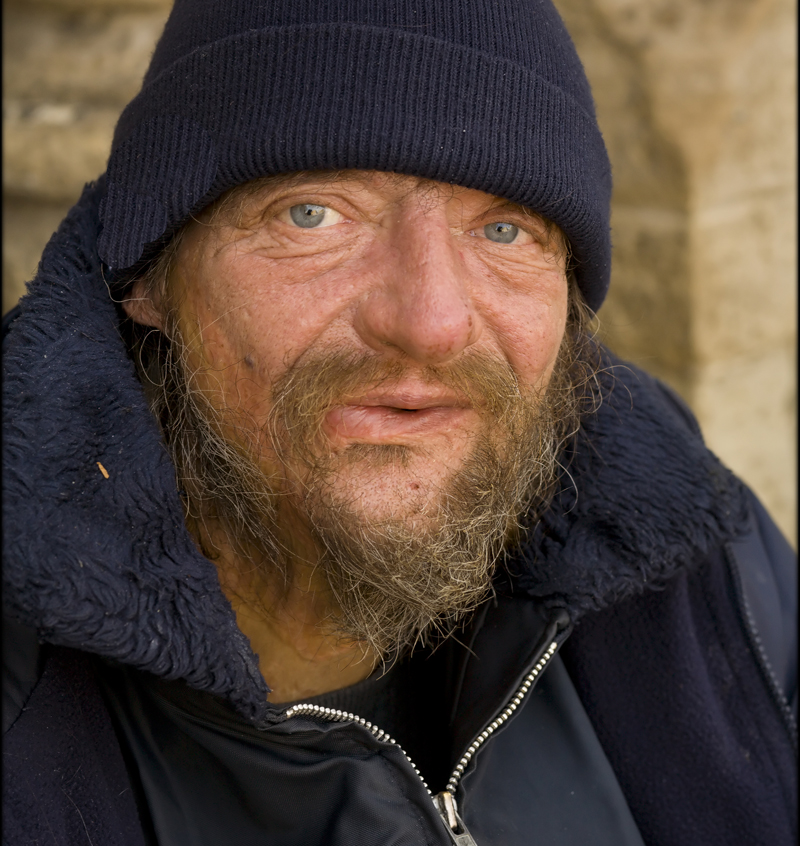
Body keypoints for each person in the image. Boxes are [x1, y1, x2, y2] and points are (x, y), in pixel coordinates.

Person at [2, 0, 796, 843]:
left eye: (504, 229)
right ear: (149, 277)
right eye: (312, 214)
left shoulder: (689, 544)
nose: (429, 321)